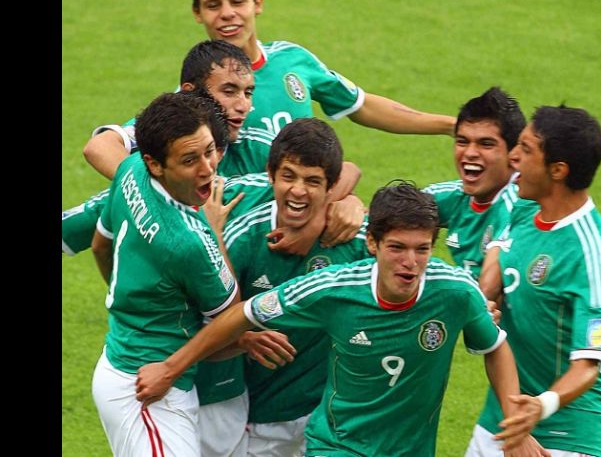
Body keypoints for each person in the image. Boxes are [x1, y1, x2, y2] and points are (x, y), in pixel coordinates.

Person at [134, 181, 542, 457]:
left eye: (422, 249)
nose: (410, 262)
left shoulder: (454, 291)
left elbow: (495, 345)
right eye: (397, 247)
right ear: (372, 243)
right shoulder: (332, 289)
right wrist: (171, 368)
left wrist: (514, 420)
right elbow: (245, 314)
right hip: (338, 445)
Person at [82, 0, 455, 182]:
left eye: (237, 1)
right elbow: (105, 146)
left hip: (310, 213)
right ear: (198, 13)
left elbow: (363, 105)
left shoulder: (295, 60)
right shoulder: (190, 101)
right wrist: (152, 194)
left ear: (257, 3)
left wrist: (451, 126)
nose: (228, 14)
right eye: (214, 5)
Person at [63, 39, 364, 256]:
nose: (243, 105)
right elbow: (98, 148)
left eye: (248, 93)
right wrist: (161, 194)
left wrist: (324, 213)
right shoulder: (164, 141)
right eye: (229, 91)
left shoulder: (254, 146)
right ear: (189, 94)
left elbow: (343, 170)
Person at [90, 92, 240, 456]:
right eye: (190, 160)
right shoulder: (188, 242)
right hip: (148, 392)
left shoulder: (130, 172)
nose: (207, 168)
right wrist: (216, 233)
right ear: (156, 164)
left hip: (121, 358)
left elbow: (99, 244)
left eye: (209, 150)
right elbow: (233, 321)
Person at [466, 105, 601, 457]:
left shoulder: (590, 250)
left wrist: (539, 408)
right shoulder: (523, 207)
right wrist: (483, 305)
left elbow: (588, 365)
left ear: (558, 170)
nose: (514, 157)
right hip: (505, 410)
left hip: (563, 428)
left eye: (526, 149)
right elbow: (495, 270)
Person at [213, 118, 371, 456]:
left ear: (332, 187)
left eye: (313, 181)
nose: (298, 190)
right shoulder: (243, 233)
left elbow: (405, 257)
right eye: (289, 177)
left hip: (331, 419)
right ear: (271, 175)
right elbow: (208, 320)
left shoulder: (353, 237)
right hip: (261, 418)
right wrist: (241, 338)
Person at [424, 86, 537, 279]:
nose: (470, 153)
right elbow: (388, 217)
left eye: (486, 144)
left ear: (514, 154)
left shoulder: (519, 208)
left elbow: (491, 285)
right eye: (462, 141)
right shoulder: (455, 196)